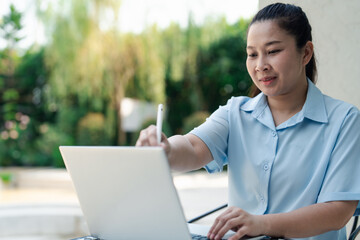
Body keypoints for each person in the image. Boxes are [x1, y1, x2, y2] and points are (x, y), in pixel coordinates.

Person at [136, 3, 360, 240]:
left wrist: (261, 223)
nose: (260, 64)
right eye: (252, 54)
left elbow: (337, 211)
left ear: (305, 53)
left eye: (272, 51)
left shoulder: (344, 121)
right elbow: (192, 147)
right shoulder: (236, 112)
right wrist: (166, 148)